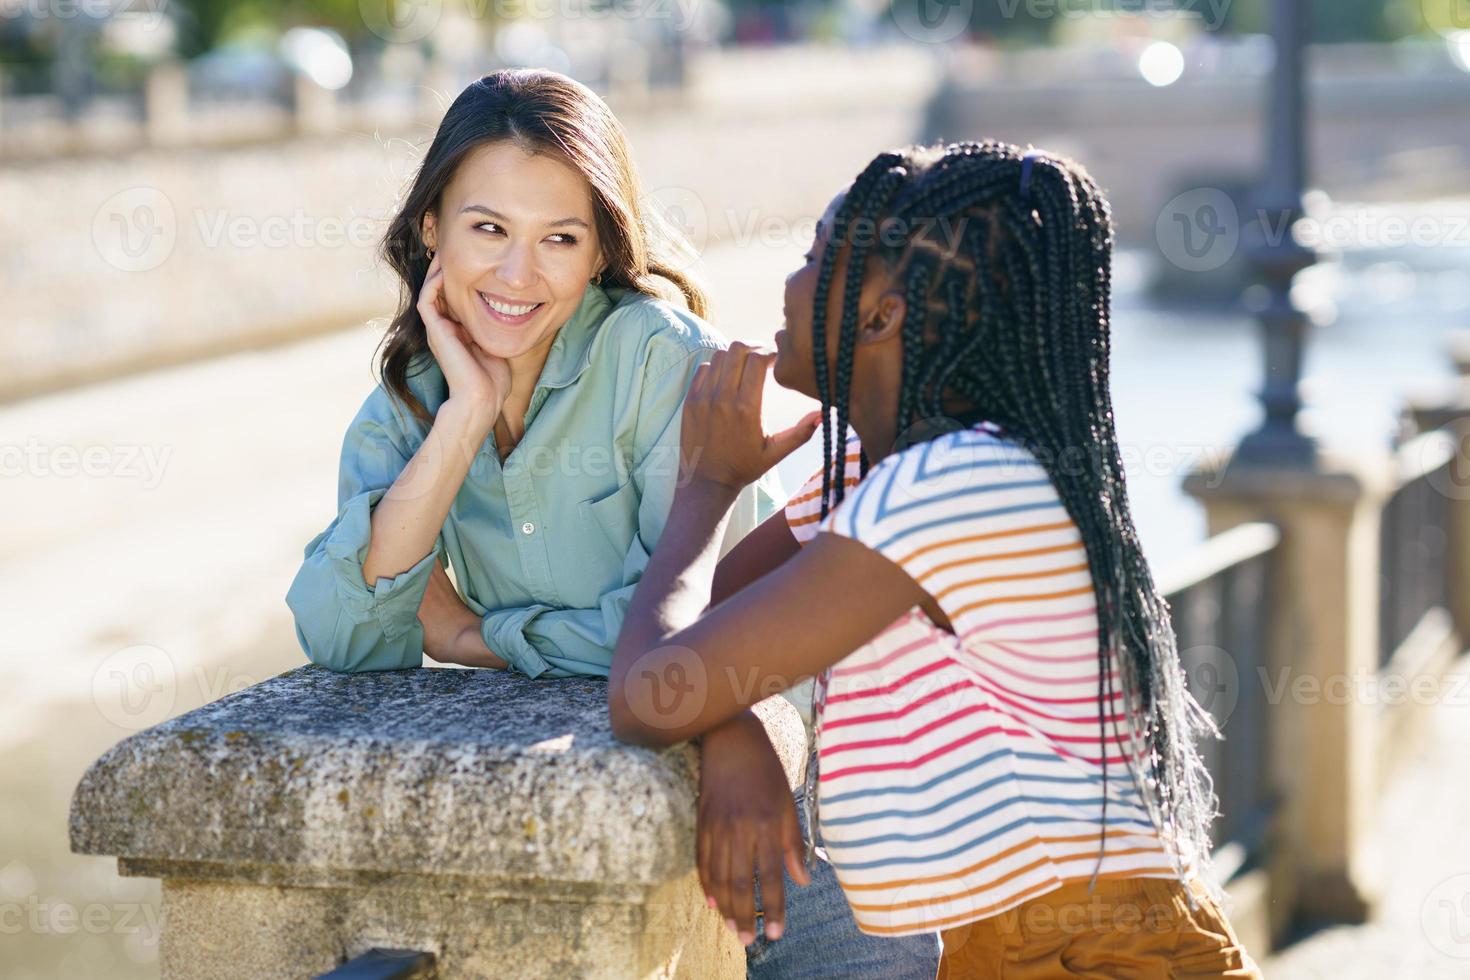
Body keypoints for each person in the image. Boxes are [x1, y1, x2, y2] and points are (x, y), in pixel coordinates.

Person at [284, 68, 939, 979]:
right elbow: (341, 633)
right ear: (431, 229)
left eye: (560, 237)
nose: (518, 274)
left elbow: (690, 644)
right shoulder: (410, 401)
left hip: (797, 821)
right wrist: (465, 416)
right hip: (610, 826)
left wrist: (478, 637)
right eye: (487, 230)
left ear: (600, 253)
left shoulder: (663, 362)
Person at [609, 140, 1265, 978]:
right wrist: (736, 727)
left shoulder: (952, 485)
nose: (790, 279)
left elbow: (648, 693)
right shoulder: (875, 472)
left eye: (817, 258)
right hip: (1013, 946)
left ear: (883, 316)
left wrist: (705, 486)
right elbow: (703, 655)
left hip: (1095, 953)